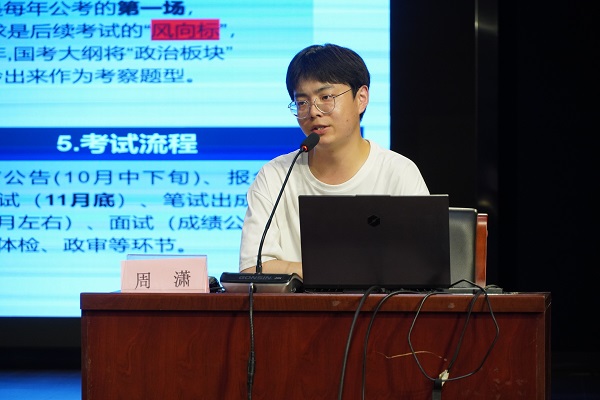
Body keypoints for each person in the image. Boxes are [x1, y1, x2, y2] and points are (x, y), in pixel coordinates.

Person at [238, 43, 429, 278]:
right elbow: (252, 269)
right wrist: (339, 271)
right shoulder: (275, 176)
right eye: (302, 102)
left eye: (326, 97)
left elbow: (422, 267)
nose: (313, 111)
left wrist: (316, 271)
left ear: (361, 98)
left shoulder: (398, 172)